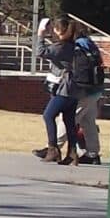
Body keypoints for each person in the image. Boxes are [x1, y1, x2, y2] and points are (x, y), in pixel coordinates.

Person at [34, 16, 76, 163]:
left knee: (48, 115)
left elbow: (40, 52)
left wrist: (40, 34)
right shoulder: (73, 45)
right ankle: (72, 153)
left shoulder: (61, 47)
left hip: (64, 89)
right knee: (69, 121)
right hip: (74, 89)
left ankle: (53, 149)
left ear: (58, 30)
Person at [65, 22, 107, 165]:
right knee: (88, 121)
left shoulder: (76, 46)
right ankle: (93, 154)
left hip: (83, 89)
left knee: (68, 118)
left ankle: (53, 147)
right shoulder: (89, 43)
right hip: (95, 88)